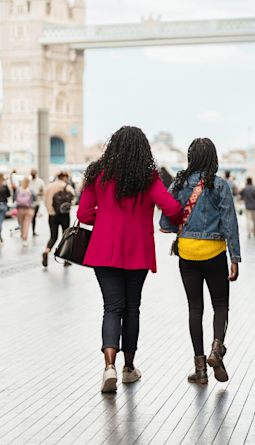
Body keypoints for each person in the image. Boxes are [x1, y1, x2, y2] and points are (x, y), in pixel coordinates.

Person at [78, 126, 185, 393]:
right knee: (132, 308)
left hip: (103, 250)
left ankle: (108, 367)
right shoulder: (147, 177)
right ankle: (128, 367)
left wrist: (103, 221)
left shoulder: (97, 175)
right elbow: (171, 207)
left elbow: (83, 214)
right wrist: (171, 221)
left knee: (111, 308)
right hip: (137, 250)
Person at [159, 138, 240, 385]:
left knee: (195, 309)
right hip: (215, 253)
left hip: (187, 255)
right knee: (221, 304)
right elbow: (230, 223)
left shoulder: (178, 185)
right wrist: (234, 257)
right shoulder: (220, 185)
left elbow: (165, 223)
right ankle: (217, 349)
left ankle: (201, 369)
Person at [42, 172, 75, 267]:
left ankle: (47, 251)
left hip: (52, 215)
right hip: (64, 215)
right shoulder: (67, 186)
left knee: (53, 236)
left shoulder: (49, 186)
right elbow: (72, 199)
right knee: (65, 236)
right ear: (64, 177)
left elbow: (45, 201)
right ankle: (65, 259)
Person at [15, 177, 35, 246]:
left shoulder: (18, 189)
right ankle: (25, 238)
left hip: (20, 209)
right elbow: (35, 198)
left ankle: (22, 234)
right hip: (29, 208)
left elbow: (14, 198)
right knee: (27, 223)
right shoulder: (31, 190)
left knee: (21, 223)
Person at [28, 168, 46, 236]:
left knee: (34, 217)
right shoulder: (29, 181)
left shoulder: (40, 182)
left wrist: (37, 194)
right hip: (28, 203)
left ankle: (33, 230)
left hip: (36, 202)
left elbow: (44, 191)